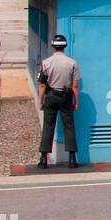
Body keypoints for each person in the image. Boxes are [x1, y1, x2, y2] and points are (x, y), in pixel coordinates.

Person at [37, 33, 80, 169]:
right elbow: (75, 85)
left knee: (48, 125)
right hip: (65, 96)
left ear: (53, 46)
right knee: (69, 126)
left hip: (51, 95)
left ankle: (44, 159)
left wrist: (41, 101)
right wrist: (76, 101)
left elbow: (42, 85)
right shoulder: (72, 63)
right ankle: (72, 159)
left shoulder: (46, 63)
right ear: (65, 46)